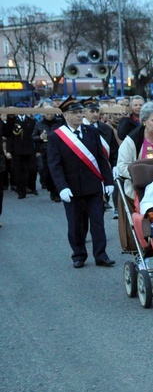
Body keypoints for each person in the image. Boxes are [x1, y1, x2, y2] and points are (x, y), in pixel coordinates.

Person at [46, 96, 116, 268]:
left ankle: (101, 255)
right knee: (76, 224)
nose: (79, 115)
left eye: (80, 112)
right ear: (65, 115)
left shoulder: (91, 131)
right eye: (75, 113)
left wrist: (108, 181)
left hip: (93, 185)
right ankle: (78, 254)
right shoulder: (57, 136)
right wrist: (61, 187)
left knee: (98, 222)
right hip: (72, 188)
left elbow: (100, 158)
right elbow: (55, 165)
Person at [83, 97, 119, 210]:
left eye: (97, 111)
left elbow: (114, 151)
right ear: (84, 112)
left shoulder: (106, 129)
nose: (95, 114)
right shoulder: (78, 129)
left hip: (104, 168)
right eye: (91, 111)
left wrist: (115, 165)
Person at [2, 104, 39, 198]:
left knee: (32, 169)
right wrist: (8, 151)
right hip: (17, 150)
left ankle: (31, 187)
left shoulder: (32, 121)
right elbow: (9, 137)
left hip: (30, 149)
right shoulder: (12, 122)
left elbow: (35, 135)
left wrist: (38, 149)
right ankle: (21, 191)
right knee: (18, 171)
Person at [33, 105, 64, 201]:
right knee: (46, 173)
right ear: (43, 114)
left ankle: (57, 193)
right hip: (45, 151)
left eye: (51, 113)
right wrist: (40, 138)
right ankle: (51, 189)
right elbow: (33, 137)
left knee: (58, 172)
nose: (50, 115)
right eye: (47, 114)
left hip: (59, 150)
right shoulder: (38, 124)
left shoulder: (60, 122)